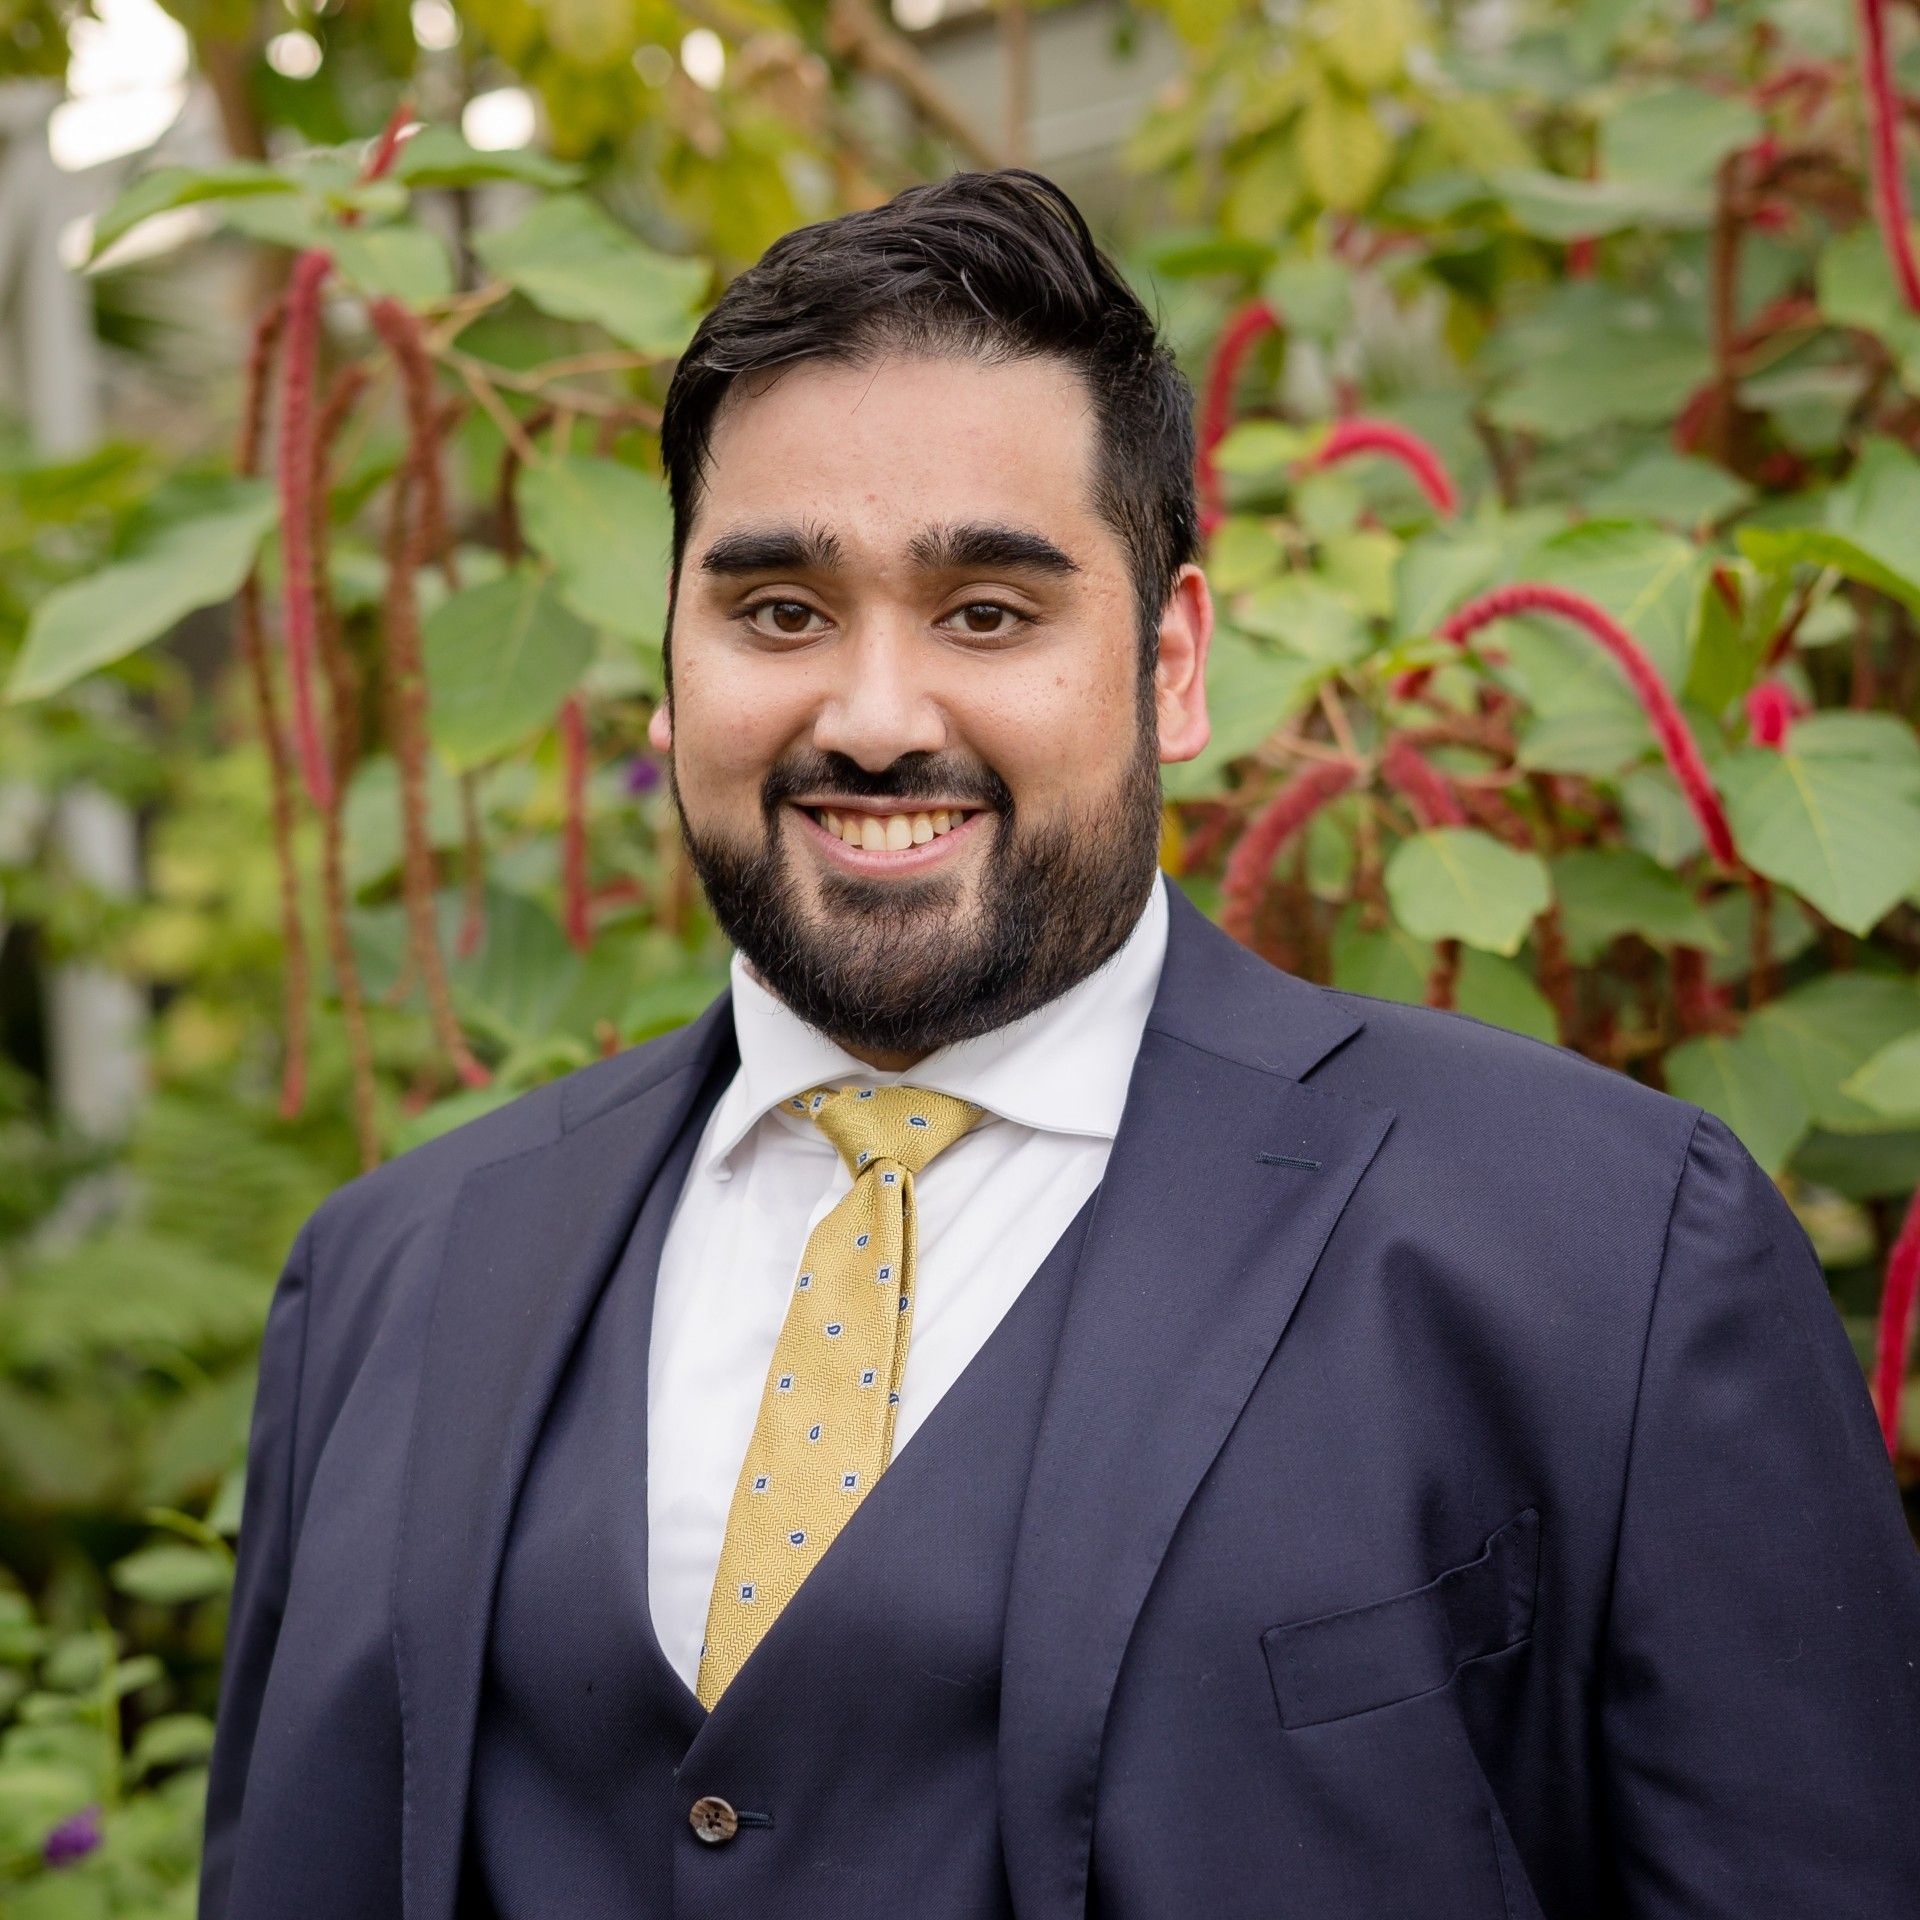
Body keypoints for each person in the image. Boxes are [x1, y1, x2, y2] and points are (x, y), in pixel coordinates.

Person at [199, 169, 1920, 1920]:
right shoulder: (389, 1280)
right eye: (778, 612)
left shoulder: (1609, 1253)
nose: (874, 721)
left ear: (1172, 664)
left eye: (990, 613)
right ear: (669, 669)